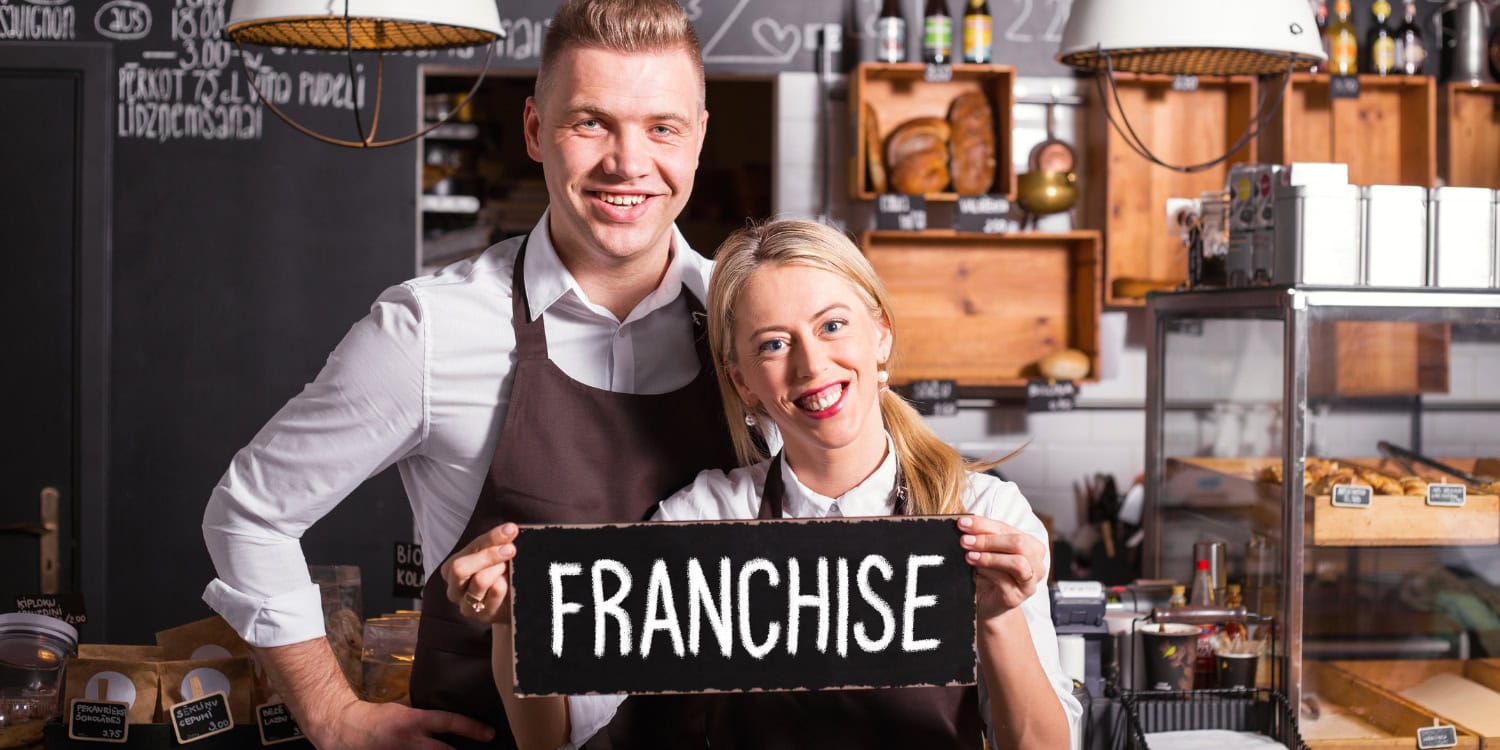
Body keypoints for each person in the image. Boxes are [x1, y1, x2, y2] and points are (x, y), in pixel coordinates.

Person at [200, 1, 739, 747]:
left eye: (662, 127)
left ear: (698, 138)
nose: (628, 162)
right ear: (532, 131)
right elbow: (249, 512)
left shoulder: (756, 328)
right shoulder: (432, 330)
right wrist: (333, 716)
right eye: (591, 122)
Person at [448, 219, 1081, 749]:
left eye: (833, 326)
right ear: (745, 382)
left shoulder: (983, 513)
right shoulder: (703, 519)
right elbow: (553, 736)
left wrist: (997, 617)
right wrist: (514, 622)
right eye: (774, 344)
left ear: (880, 334)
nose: (812, 364)